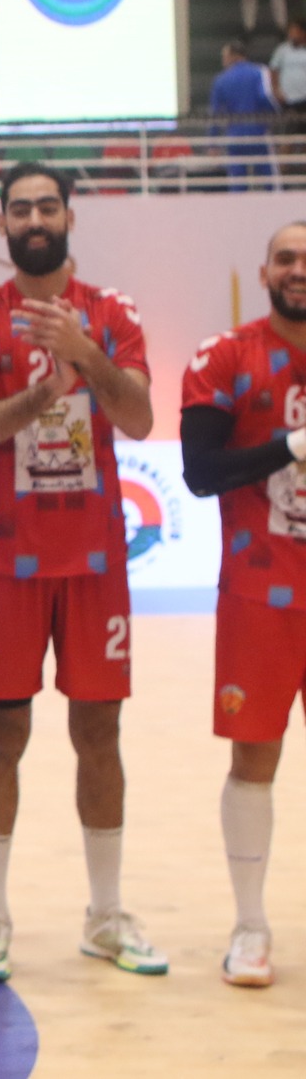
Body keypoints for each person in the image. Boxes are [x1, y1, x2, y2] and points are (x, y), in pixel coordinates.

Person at [0, 160, 162, 982]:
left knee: (98, 734)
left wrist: (86, 355)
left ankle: (105, 914)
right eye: (19, 208)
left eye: (47, 205)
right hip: (7, 560)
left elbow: (138, 418)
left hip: (98, 558)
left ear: (69, 216)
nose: (35, 218)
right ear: (1, 226)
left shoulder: (113, 313)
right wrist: (45, 392)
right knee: (2, 733)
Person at [180, 222, 306, 989]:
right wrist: (291, 447)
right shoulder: (226, 356)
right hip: (261, 591)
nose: (299, 270)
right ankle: (250, 925)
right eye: (288, 257)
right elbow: (198, 472)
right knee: (254, 758)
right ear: (264, 269)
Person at [211, 40, 280, 188]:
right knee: (269, 181)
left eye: (224, 57)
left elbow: (215, 113)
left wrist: (213, 142)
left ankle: (236, 209)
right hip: (258, 133)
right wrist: (275, 116)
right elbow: (265, 98)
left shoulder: (221, 80)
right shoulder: (259, 72)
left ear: (232, 56)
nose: (223, 61)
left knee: (237, 183)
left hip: (235, 137)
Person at [270, 19, 306, 134]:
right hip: (288, 99)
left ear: (302, 32)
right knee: (288, 134)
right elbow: (273, 70)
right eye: (290, 31)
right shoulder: (282, 50)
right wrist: (276, 90)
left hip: (304, 98)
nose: (291, 34)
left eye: (294, 31)